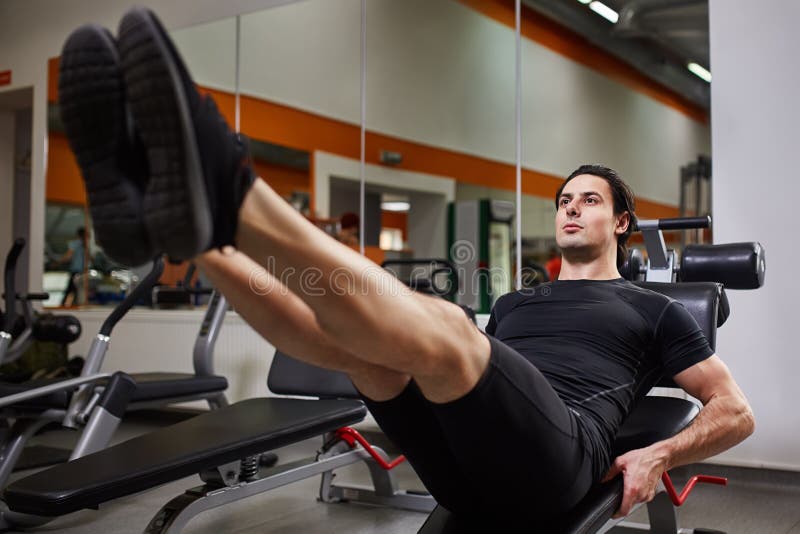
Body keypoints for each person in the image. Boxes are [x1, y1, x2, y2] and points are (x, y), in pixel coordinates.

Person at [58, 9, 755, 529]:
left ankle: (230, 189)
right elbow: (466, 378)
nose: (571, 210)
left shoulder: (654, 307)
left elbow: (736, 412)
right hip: (462, 470)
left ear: (622, 223)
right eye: (564, 200)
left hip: (561, 461)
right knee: (364, 355)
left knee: (449, 327)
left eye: (589, 201)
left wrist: (661, 455)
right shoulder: (519, 302)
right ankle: (199, 239)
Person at [57, 227, 88, 306]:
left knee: (71, 289)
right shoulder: (86, 245)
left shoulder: (75, 243)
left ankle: (63, 305)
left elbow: (68, 256)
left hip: (76, 271)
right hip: (83, 271)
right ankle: (74, 304)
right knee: (76, 290)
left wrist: (58, 262)